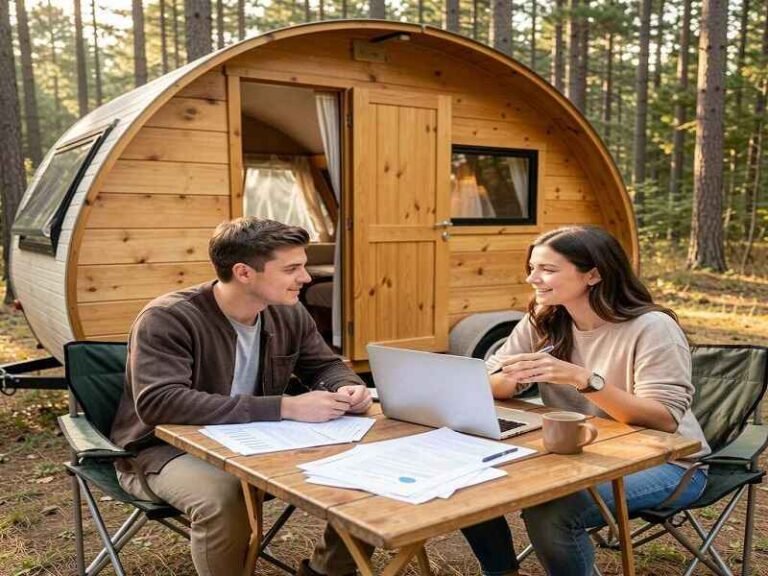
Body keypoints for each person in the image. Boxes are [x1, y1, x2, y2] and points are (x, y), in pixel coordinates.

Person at [110, 217, 373, 576]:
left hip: (261, 441)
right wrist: (285, 407)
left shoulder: (288, 312)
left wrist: (345, 385)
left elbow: (324, 365)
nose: (306, 278)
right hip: (165, 450)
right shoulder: (168, 318)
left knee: (368, 469)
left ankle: (328, 571)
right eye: (292, 268)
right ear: (244, 273)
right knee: (224, 496)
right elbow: (160, 402)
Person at [470, 226, 711, 576]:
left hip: (669, 464)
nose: (532, 278)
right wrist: (511, 376)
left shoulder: (652, 328)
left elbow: (664, 420)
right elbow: (492, 382)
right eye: (532, 267)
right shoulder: (545, 318)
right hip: (577, 452)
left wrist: (581, 378)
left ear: (593, 274)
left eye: (548, 270)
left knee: (552, 512)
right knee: (472, 480)